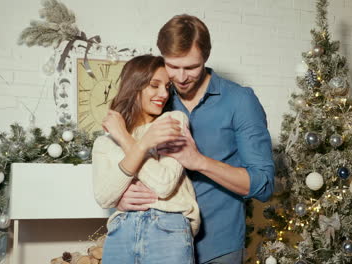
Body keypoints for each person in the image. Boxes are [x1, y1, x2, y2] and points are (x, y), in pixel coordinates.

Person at [117, 14, 275, 264]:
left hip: (218, 246)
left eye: (191, 67)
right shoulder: (158, 98)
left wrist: (198, 161)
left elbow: (263, 185)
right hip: (157, 243)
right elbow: (127, 153)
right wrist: (121, 196)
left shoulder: (240, 101)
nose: (180, 78)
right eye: (172, 66)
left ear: (206, 58)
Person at [91, 55, 200, 264]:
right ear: (134, 86)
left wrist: (124, 137)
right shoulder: (104, 143)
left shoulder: (172, 121)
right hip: (120, 233)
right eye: (154, 85)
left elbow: (164, 184)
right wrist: (119, 199)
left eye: (168, 87)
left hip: (167, 229)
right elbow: (104, 198)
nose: (164, 94)